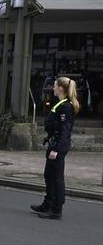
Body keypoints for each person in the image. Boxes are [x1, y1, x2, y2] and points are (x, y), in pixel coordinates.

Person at [31, 77, 80, 219]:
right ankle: (48, 203)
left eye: (55, 86)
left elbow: (65, 130)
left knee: (57, 178)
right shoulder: (61, 104)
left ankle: (56, 209)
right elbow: (56, 126)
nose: (53, 88)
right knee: (49, 175)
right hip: (54, 143)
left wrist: (56, 149)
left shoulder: (66, 107)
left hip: (59, 145)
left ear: (61, 89)